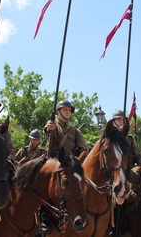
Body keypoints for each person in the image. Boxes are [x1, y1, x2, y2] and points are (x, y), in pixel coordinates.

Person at [41, 100, 88, 235]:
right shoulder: (53, 126)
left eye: (69, 110)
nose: (68, 112)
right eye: (65, 109)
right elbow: (47, 131)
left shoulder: (75, 131)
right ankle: (44, 218)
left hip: (70, 165)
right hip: (53, 162)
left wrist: (77, 163)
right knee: (44, 185)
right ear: (58, 112)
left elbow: (84, 148)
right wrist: (47, 128)